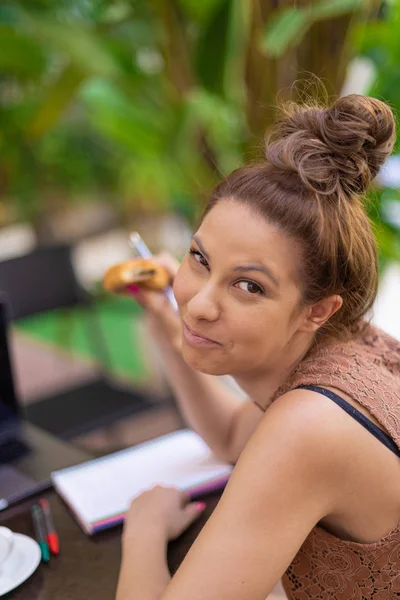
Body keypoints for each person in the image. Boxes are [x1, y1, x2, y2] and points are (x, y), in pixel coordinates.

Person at [115, 94, 400, 600]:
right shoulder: (348, 345)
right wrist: (165, 320)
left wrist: (143, 531)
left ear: (318, 310)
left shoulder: (311, 424)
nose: (200, 304)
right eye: (200, 258)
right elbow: (231, 436)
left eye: (248, 286)